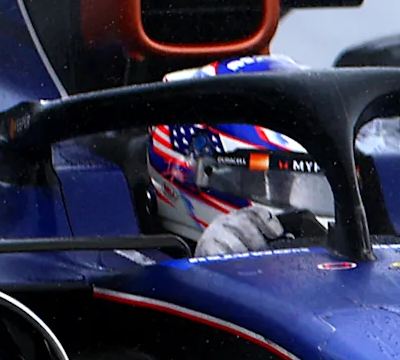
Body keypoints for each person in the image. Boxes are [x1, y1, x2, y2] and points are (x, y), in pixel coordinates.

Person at [142, 55, 337, 256]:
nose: (305, 207)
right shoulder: (128, 274)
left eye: (317, 184)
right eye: (277, 185)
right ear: (202, 171)